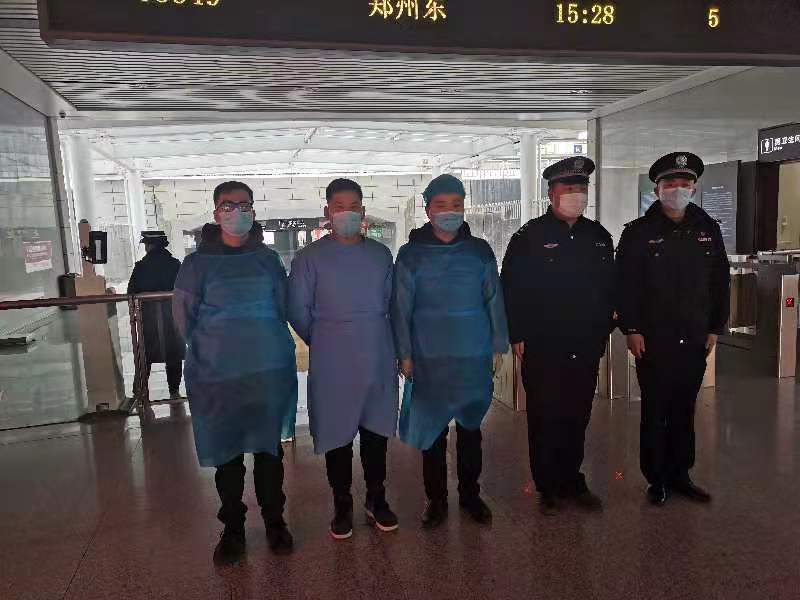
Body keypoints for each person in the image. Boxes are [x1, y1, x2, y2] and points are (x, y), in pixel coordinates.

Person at [172, 181, 297, 564]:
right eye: (228, 205)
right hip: (218, 373)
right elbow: (184, 319)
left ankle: (275, 522)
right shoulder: (196, 265)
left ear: (253, 211)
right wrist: (215, 348)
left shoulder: (268, 260)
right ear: (216, 213)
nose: (236, 212)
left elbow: (282, 307)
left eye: (244, 205)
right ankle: (233, 530)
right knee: (227, 456)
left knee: (268, 451)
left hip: (267, 368)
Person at [391, 173, 509, 529]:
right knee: (433, 433)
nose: (449, 212)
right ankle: (437, 500)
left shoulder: (479, 251)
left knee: (471, 430)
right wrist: (404, 354)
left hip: (472, 353)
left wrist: (498, 345)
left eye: (456, 205)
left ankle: (471, 496)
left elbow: (494, 299)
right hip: (429, 357)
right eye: (441, 205)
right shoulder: (411, 255)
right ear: (428, 210)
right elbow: (400, 309)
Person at [501, 157, 615, 516]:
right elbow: (511, 289)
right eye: (569, 188)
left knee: (577, 414)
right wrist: (517, 333)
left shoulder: (598, 237)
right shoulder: (529, 236)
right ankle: (547, 484)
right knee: (545, 415)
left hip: (585, 343)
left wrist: (603, 330)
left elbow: (610, 289)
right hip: (543, 343)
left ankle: (571, 479)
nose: (576, 195)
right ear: (551, 193)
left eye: (582, 188)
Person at [617, 152, 730, 507]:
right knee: (656, 409)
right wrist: (631, 329)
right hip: (653, 338)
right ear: (657, 189)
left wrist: (715, 327)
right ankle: (657, 479)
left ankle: (681, 474)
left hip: (695, 336)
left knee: (684, 408)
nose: (677, 189)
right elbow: (625, 286)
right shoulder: (638, 233)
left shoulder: (707, 229)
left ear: (694, 188)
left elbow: (719, 282)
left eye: (685, 183)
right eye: (670, 183)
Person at [288, 178, 399, 540]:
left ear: (363, 212)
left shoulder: (380, 255)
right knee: (336, 433)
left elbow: (391, 303)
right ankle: (342, 503)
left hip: (377, 350)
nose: (347, 213)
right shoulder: (309, 258)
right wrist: (325, 337)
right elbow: (298, 310)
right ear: (327, 212)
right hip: (332, 357)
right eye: (339, 207)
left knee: (376, 430)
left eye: (354, 207)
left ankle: (376, 498)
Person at [127, 230, 185, 400]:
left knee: (145, 355)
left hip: (148, 318)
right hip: (172, 317)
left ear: (150, 245)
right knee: (173, 354)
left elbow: (131, 292)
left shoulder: (141, 267)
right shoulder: (175, 264)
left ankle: (139, 392)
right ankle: (174, 391)